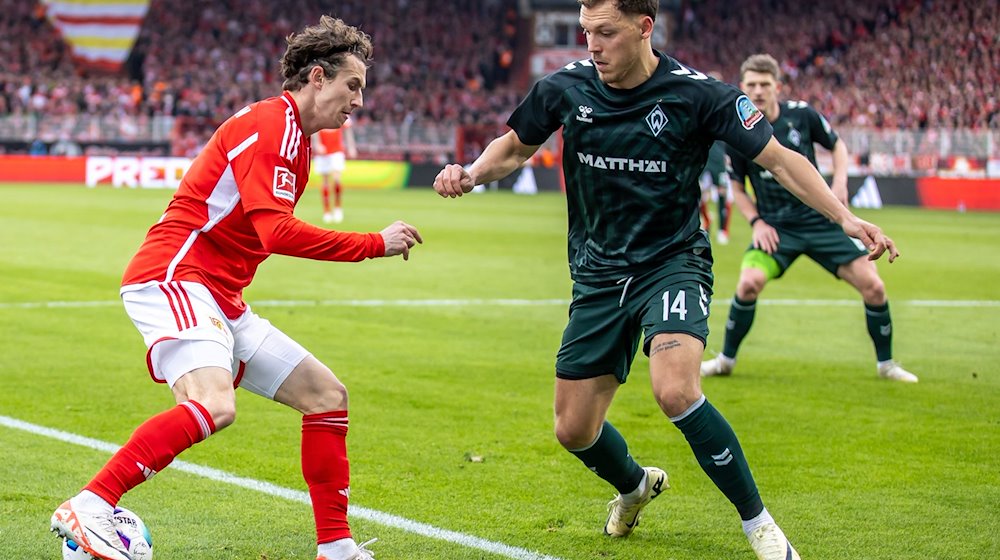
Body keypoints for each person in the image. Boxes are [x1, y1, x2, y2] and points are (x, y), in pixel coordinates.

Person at [432, 2, 898, 559]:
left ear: (643, 27)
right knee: (573, 429)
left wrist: (845, 217)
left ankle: (760, 526)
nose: (592, 45)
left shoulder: (700, 95)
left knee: (675, 388)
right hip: (599, 274)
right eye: (586, 32)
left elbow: (781, 160)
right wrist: (473, 173)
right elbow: (514, 147)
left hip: (671, 262)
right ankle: (634, 486)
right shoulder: (563, 89)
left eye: (605, 33)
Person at [49, 15, 422, 560]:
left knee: (326, 398)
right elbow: (276, 230)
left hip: (220, 297)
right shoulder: (274, 125)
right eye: (353, 85)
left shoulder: (298, 140)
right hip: (175, 275)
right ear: (317, 77)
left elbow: (259, 236)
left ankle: (336, 548)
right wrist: (372, 242)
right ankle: (90, 503)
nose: (359, 101)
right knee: (214, 405)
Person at [700, 54, 917, 384]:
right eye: (752, 85)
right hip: (776, 228)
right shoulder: (739, 131)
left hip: (821, 222)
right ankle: (726, 361)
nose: (758, 91)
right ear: (742, 87)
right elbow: (736, 189)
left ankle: (886, 364)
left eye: (764, 84)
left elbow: (837, 145)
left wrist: (841, 181)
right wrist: (757, 222)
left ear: (778, 87)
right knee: (747, 284)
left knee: (873, 286)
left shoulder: (801, 115)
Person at [313, 119, 357, 223]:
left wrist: (351, 147)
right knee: (325, 181)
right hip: (323, 152)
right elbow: (314, 128)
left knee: (337, 179)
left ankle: (338, 208)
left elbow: (348, 130)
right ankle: (327, 211)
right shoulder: (321, 111)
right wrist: (317, 144)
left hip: (337, 151)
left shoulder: (341, 112)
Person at [699, 139, 731, 244]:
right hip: (705, 160)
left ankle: (722, 230)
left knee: (722, 194)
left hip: (719, 162)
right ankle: (707, 221)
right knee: (699, 194)